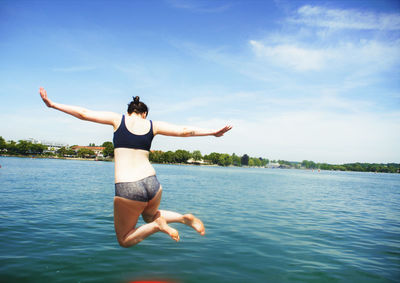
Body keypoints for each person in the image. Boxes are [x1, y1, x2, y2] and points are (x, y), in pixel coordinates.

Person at [39, 87, 232, 247]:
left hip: (128, 186)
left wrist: (53, 104)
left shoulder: (118, 119)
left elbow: (84, 113)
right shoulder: (152, 125)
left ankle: (159, 226)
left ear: (129, 112)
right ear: (144, 114)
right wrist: (212, 132)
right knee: (149, 215)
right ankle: (184, 218)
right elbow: (184, 131)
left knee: (124, 240)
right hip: (152, 183)